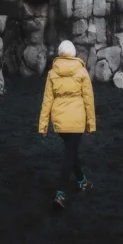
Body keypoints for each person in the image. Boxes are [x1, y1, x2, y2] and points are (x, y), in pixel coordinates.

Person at [38, 40, 96, 210]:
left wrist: (43, 125)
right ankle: (60, 193)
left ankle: (82, 181)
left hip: (60, 121)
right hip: (77, 120)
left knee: (71, 151)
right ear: (73, 54)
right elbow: (89, 100)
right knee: (69, 156)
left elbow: (47, 100)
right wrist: (90, 124)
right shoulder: (82, 71)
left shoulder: (52, 73)